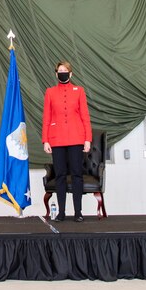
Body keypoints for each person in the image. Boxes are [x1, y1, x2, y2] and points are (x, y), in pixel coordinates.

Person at [41, 61, 92, 222]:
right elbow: (46, 117)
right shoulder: (50, 92)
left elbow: (85, 116)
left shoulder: (79, 91)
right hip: (56, 139)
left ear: (70, 73)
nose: (62, 73)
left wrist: (87, 139)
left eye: (65, 70)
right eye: (60, 70)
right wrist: (45, 140)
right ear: (56, 74)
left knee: (77, 174)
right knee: (60, 175)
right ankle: (61, 212)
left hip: (76, 138)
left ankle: (78, 212)